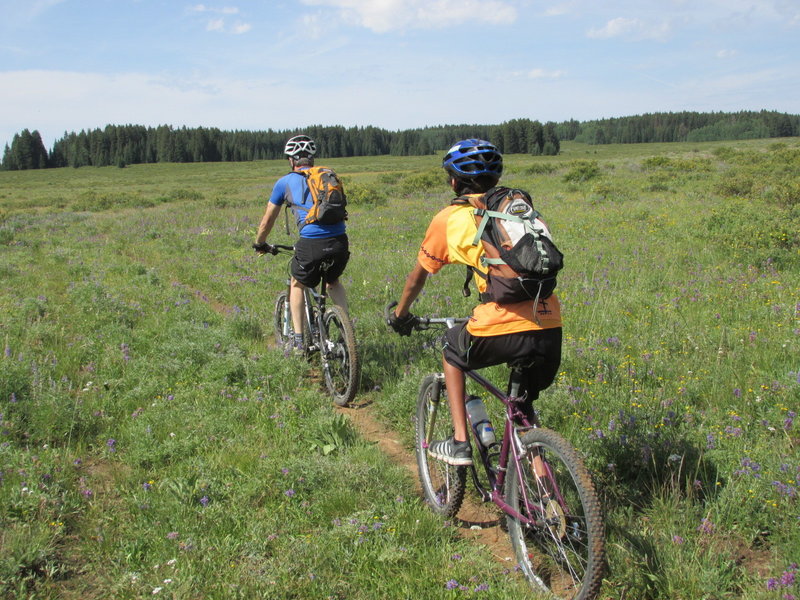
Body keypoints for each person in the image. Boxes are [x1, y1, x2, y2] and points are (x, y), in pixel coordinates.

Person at [388, 139, 562, 466]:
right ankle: (544, 499)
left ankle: (459, 442)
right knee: (522, 410)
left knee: (453, 352)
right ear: (495, 179)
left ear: (454, 181)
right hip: (550, 322)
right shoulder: (516, 208)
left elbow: (418, 277)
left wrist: (401, 314)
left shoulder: (450, 218)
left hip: (502, 320)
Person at [253, 134, 350, 353]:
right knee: (332, 280)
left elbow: (268, 219)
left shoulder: (284, 182)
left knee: (297, 283)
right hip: (339, 242)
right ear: (311, 159)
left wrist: (260, 243)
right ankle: (347, 331)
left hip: (311, 243)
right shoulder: (328, 176)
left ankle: (298, 341)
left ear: (291, 160)